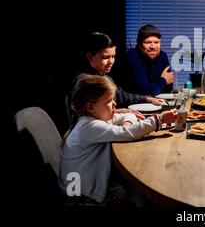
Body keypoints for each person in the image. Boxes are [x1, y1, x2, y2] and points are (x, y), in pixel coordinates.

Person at [59, 74, 177, 204]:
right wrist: (158, 120)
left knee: (134, 188)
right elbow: (127, 131)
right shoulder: (89, 126)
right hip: (80, 194)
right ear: (91, 107)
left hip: (87, 185)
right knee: (136, 191)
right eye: (108, 101)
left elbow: (127, 115)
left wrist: (126, 124)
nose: (115, 103)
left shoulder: (95, 118)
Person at [75, 32, 164, 111]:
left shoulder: (104, 76)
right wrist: (121, 112)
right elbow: (88, 117)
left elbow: (123, 96)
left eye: (113, 56)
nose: (111, 62)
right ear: (90, 57)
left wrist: (148, 99)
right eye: (105, 57)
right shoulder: (85, 82)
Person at [126, 24, 174, 96]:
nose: (153, 46)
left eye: (156, 42)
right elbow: (145, 91)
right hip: (134, 104)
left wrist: (156, 86)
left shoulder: (162, 56)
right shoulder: (132, 57)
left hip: (157, 102)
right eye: (148, 42)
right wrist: (163, 80)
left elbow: (168, 87)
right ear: (139, 44)